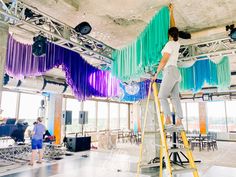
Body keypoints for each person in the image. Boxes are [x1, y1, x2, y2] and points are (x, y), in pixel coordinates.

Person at [153, 4, 184, 130]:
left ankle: (167, 120)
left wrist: (156, 74)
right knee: (175, 97)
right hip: (176, 73)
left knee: (162, 96)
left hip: (170, 70)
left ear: (169, 35)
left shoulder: (169, 45)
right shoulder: (176, 43)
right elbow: (173, 28)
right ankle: (179, 121)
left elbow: (163, 61)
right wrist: (171, 13)